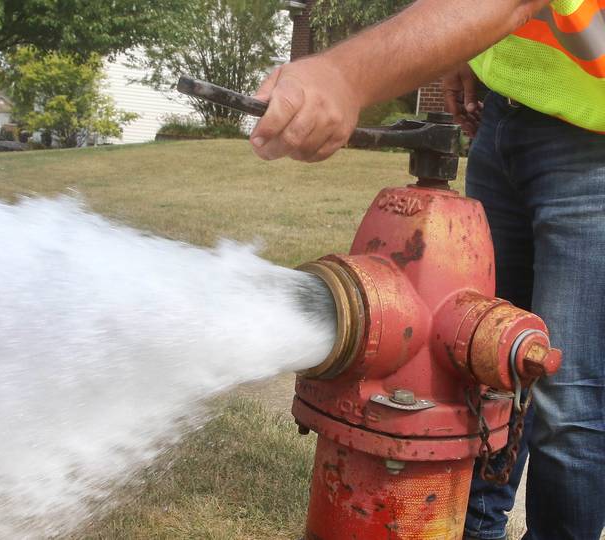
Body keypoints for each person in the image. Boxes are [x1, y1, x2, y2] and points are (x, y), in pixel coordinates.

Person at [250, 1, 605, 539]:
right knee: (482, 368)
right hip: (503, 118)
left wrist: (344, 75)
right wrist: (468, 48)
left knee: (566, 402)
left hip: (592, 145)